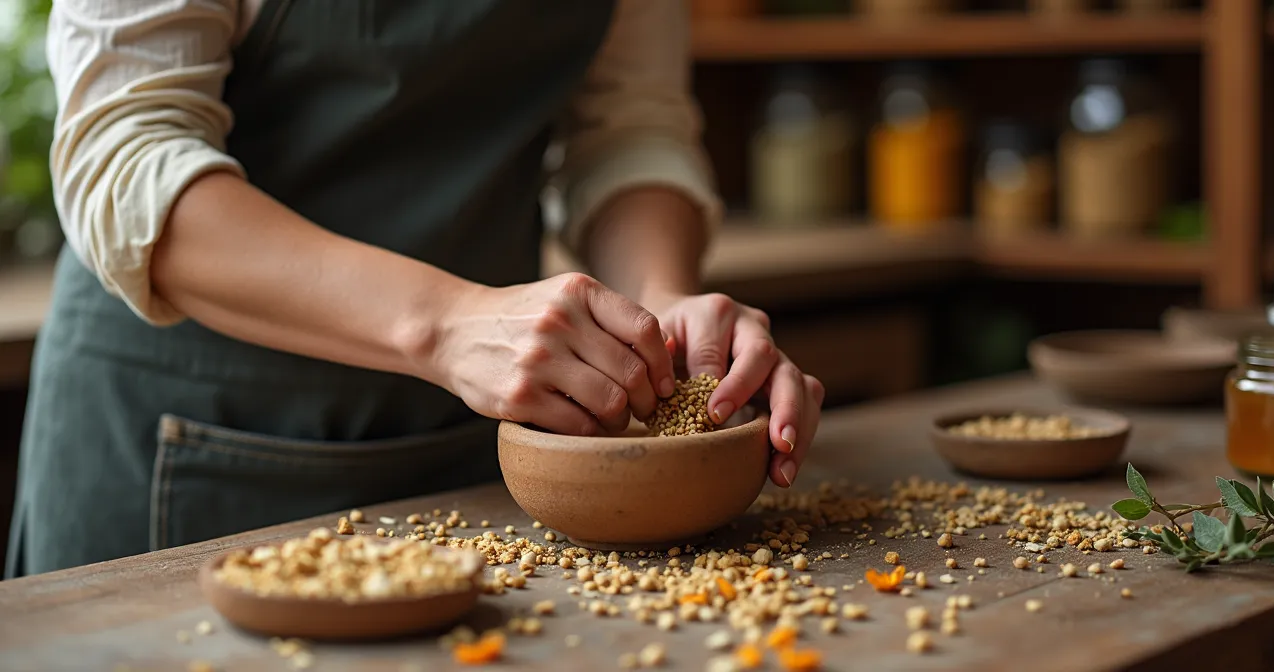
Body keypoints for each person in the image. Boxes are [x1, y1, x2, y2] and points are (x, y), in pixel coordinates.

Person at [7, 0, 824, 578]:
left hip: (468, 433)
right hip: (189, 431)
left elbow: (629, 128)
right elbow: (127, 154)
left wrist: (663, 308)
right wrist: (448, 323)